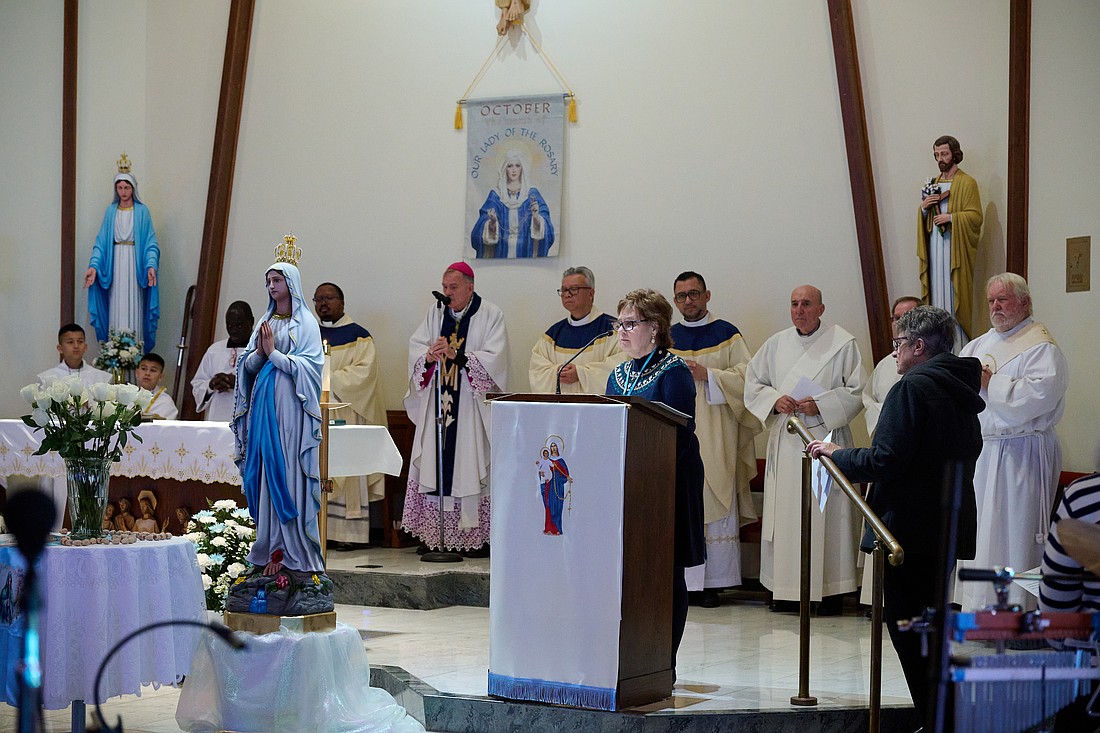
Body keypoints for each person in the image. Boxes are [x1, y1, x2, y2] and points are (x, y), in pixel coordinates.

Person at [807, 305, 984, 721]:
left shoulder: (912, 388)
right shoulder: (959, 387)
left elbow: (886, 459)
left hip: (907, 526)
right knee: (931, 629)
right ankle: (945, 714)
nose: (895, 353)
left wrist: (838, 453)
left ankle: (936, 717)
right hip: (946, 523)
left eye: (899, 344)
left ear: (919, 346)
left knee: (909, 628)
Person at [744, 285, 865, 615]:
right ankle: (785, 589)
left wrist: (821, 405)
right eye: (795, 304)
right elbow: (754, 384)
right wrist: (774, 400)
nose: (799, 310)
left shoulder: (843, 343)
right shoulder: (776, 343)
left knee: (827, 513)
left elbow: (856, 391)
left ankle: (828, 592)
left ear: (821, 309)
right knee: (787, 515)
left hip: (824, 438)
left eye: (807, 304)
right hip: (787, 441)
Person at [955, 273, 1069, 610]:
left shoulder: (1042, 347)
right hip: (985, 452)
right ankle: (983, 607)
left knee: (1018, 534)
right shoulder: (977, 346)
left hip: (1023, 452)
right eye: (991, 301)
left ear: (1025, 302)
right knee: (984, 533)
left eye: (1002, 299)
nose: (995, 307)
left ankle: (1021, 609)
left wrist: (992, 385)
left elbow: (1039, 397)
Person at [605, 288, 704, 671]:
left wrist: (646, 470)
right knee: (633, 572)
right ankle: (633, 656)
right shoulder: (618, 373)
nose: (623, 332)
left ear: (656, 328)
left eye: (631, 324)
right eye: (620, 324)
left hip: (669, 484)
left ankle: (666, 660)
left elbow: (679, 431)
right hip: (628, 486)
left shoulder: (674, 372)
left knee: (666, 571)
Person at [402, 262, 509, 554]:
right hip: (438, 403)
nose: (447, 294)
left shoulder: (490, 314)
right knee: (436, 464)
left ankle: (471, 537)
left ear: (470, 287)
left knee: (466, 464)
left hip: (469, 410)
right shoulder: (435, 313)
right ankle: (436, 536)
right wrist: (427, 356)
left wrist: (457, 355)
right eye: (445, 287)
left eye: (454, 288)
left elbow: (496, 361)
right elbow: (416, 350)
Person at [668, 272, 760, 608]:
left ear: (707, 295)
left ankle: (714, 583)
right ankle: (684, 582)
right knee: (683, 502)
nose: (688, 301)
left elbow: (748, 378)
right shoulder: (667, 336)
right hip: (679, 432)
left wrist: (709, 375)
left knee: (715, 495)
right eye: (681, 296)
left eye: (694, 294)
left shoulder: (727, 335)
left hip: (717, 432)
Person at [232, 258, 326, 577]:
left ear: (291, 284)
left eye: (277, 280)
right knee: (261, 474)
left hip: (290, 412)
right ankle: (269, 546)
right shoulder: (265, 321)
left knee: (286, 471)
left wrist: (274, 354)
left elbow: (312, 369)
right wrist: (260, 354)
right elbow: (246, 368)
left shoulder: (306, 324)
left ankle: (293, 550)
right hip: (263, 408)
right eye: (268, 281)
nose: (272, 286)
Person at [314, 282, 387, 551]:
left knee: (346, 467)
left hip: (347, 410)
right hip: (315, 415)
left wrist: (326, 382)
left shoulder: (360, 337)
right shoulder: (308, 336)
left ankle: (348, 533)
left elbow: (364, 374)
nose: (324, 303)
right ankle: (317, 532)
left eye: (329, 298)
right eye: (319, 299)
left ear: (342, 302)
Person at [858, 295, 920, 607]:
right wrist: (887, 424)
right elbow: (869, 402)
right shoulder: (886, 364)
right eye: (897, 318)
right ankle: (877, 601)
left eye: (909, 316)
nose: (900, 323)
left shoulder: (931, 363)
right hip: (886, 453)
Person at [84, 154, 160, 350]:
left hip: (135, 268)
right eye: (120, 188)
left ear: (133, 189)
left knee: (134, 308)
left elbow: (151, 242)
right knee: (116, 308)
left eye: (127, 187)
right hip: (116, 264)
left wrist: (151, 265)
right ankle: (115, 354)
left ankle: (134, 354)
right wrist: (93, 266)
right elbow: (101, 243)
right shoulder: (111, 212)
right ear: (115, 189)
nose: (123, 192)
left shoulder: (142, 212)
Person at [918, 135, 983, 341]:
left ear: (954, 154)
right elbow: (924, 219)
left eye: (944, 154)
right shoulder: (933, 183)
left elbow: (975, 216)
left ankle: (959, 345)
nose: (940, 159)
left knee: (955, 297)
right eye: (937, 155)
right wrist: (924, 210)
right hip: (935, 251)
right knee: (937, 298)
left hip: (955, 253)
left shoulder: (967, 182)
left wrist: (952, 217)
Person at [528, 266, 620, 393]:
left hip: (597, 409)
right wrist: (557, 372)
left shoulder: (613, 330)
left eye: (574, 289)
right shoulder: (553, 335)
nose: (567, 294)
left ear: (591, 293)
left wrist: (581, 374)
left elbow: (620, 369)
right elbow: (537, 371)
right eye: (564, 290)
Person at [471, 149, 554, 258]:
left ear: (522, 168)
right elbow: (479, 228)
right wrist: (492, 223)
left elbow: (546, 223)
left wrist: (536, 218)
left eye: (517, 165)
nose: (514, 170)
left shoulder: (531, 194)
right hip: (500, 252)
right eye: (510, 166)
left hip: (526, 250)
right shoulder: (496, 195)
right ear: (505, 169)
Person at [191, 301, 254, 423]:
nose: (233, 330)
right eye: (229, 326)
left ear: (251, 322)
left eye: (239, 325)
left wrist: (238, 383)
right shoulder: (214, 350)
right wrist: (211, 384)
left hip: (247, 422)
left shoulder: (261, 351)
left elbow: (271, 389)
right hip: (216, 418)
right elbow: (198, 384)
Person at [37, 324, 112, 386]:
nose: (76, 346)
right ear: (60, 348)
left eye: (80, 341)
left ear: (85, 347)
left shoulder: (102, 378)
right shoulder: (45, 379)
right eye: (70, 342)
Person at [538, 440, 571, 535]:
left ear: (558, 447)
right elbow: (541, 471)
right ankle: (549, 528)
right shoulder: (548, 460)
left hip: (558, 487)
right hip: (549, 486)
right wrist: (543, 475)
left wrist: (559, 476)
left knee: (557, 507)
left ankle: (557, 528)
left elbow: (565, 474)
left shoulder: (561, 461)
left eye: (555, 446)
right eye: (551, 446)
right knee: (549, 506)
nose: (553, 448)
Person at [134, 352, 178, 419]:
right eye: (143, 369)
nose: (147, 373)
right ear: (137, 373)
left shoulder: (165, 402)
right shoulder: (128, 395)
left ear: (160, 376)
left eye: (153, 370)